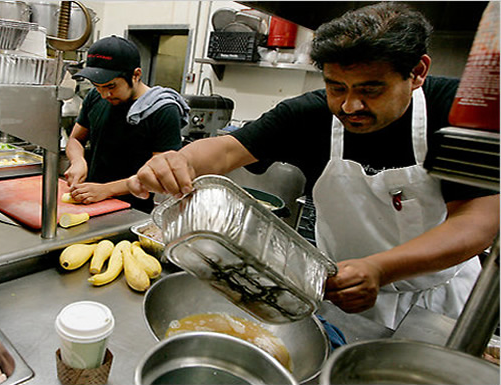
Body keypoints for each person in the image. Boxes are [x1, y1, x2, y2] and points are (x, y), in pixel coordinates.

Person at [127, 2, 499, 329]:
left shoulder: (458, 112)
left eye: (370, 90)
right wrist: (178, 160)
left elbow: (478, 220)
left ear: (417, 72)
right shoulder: (309, 114)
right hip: (342, 294)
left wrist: (381, 268)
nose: (350, 106)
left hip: (433, 302)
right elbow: (226, 151)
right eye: (337, 87)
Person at [66, 35, 189, 213]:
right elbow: (75, 139)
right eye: (97, 86)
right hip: (89, 199)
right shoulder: (95, 96)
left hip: (132, 209)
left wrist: (106, 190)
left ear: (136, 75)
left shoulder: (163, 110)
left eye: (111, 86)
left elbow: (159, 173)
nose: (103, 94)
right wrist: (78, 161)